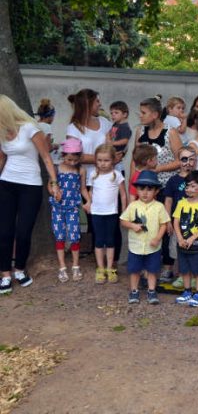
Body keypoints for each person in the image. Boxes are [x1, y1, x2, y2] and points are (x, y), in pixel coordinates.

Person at [0, 95, 60, 294]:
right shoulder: (1, 131)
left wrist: (53, 182)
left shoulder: (30, 128)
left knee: (24, 232)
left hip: (30, 185)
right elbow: (1, 159)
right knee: (5, 232)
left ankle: (20, 269)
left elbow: (46, 157)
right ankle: (5, 274)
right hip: (6, 183)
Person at [120, 170, 170, 305]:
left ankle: (151, 290)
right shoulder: (133, 205)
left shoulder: (159, 207)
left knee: (152, 270)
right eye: (141, 188)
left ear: (156, 191)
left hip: (153, 246)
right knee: (134, 270)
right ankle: (134, 290)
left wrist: (158, 238)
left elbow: (164, 224)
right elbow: (123, 221)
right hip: (136, 246)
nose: (145, 192)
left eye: (149, 189)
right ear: (136, 189)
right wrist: (132, 225)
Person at [83, 144, 127, 284]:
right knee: (98, 241)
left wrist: (124, 211)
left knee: (110, 241)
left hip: (111, 213)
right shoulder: (93, 175)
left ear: (113, 160)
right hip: (96, 213)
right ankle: (100, 269)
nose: (103, 163)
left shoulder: (116, 175)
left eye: (106, 160)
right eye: (100, 160)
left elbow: (123, 195)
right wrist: (89, 203)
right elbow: (91, 191)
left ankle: (110, 268)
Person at [50, 139, 89, 283]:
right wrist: (55, 192)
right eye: (69, 159)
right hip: (58, 207)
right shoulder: (57, 168)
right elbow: (50, 185)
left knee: (74, 235)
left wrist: (89, 201)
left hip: (73, 208)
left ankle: (75, 265)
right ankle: (62, 267)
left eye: (75, 159)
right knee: (59, 236)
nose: (72, 162)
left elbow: (83, 189)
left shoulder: (81, 170)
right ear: (63, 156)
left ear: (79, 157)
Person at [173, 170, 198, 307]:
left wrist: (191, 238)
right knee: (184, 269)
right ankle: (187, 291)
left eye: (193, 186)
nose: (189, 189)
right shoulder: (181, 203)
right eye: (187, 186)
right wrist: (179, 238)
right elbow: (176, 221)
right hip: (182, 243)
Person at [161, 145, 197, 283]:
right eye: (184, 159)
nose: (187, 162)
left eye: (191, 159)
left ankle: (193, 276)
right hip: (177, 222)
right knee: (176, 249)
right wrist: (168, 221)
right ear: (179, 161)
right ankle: (181, 275)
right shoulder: (173, 180)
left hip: (194, 222)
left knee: (194, 249)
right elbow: (168, 201)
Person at [132, 96, 182, 188]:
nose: (140, 115)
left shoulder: (171, 132)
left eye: (143, 113)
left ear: (155, 115)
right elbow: (135, 159)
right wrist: (133, 182)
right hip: (145, 187)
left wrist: (159, 169)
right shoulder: (140, 131)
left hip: (167, 187)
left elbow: (180, 160)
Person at [109, 101, 132, 171]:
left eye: (116, 113)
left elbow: (125, 141)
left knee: (117, 172)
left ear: (125, 114)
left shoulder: (124, 127)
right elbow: (111, 134)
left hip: (118, 155)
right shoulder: (115, 124)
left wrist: (112, 143)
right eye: (111, 113)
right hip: (112, 153)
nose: (113, 115)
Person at [35, 98, 60, 163]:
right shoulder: (47, 127)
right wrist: (55, 146)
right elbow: (48, 148)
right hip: (43, 161)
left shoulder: (34, 124)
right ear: (51, 116)